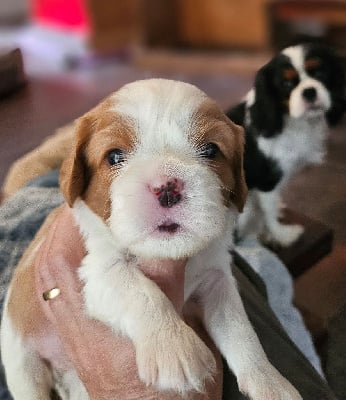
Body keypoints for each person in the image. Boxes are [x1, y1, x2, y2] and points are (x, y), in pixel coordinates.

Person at [0, 173, 338, 399]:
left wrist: (256, 369)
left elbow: (217, 284)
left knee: (34, 191)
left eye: (207, 151)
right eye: (117, 157)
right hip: (37, 348)